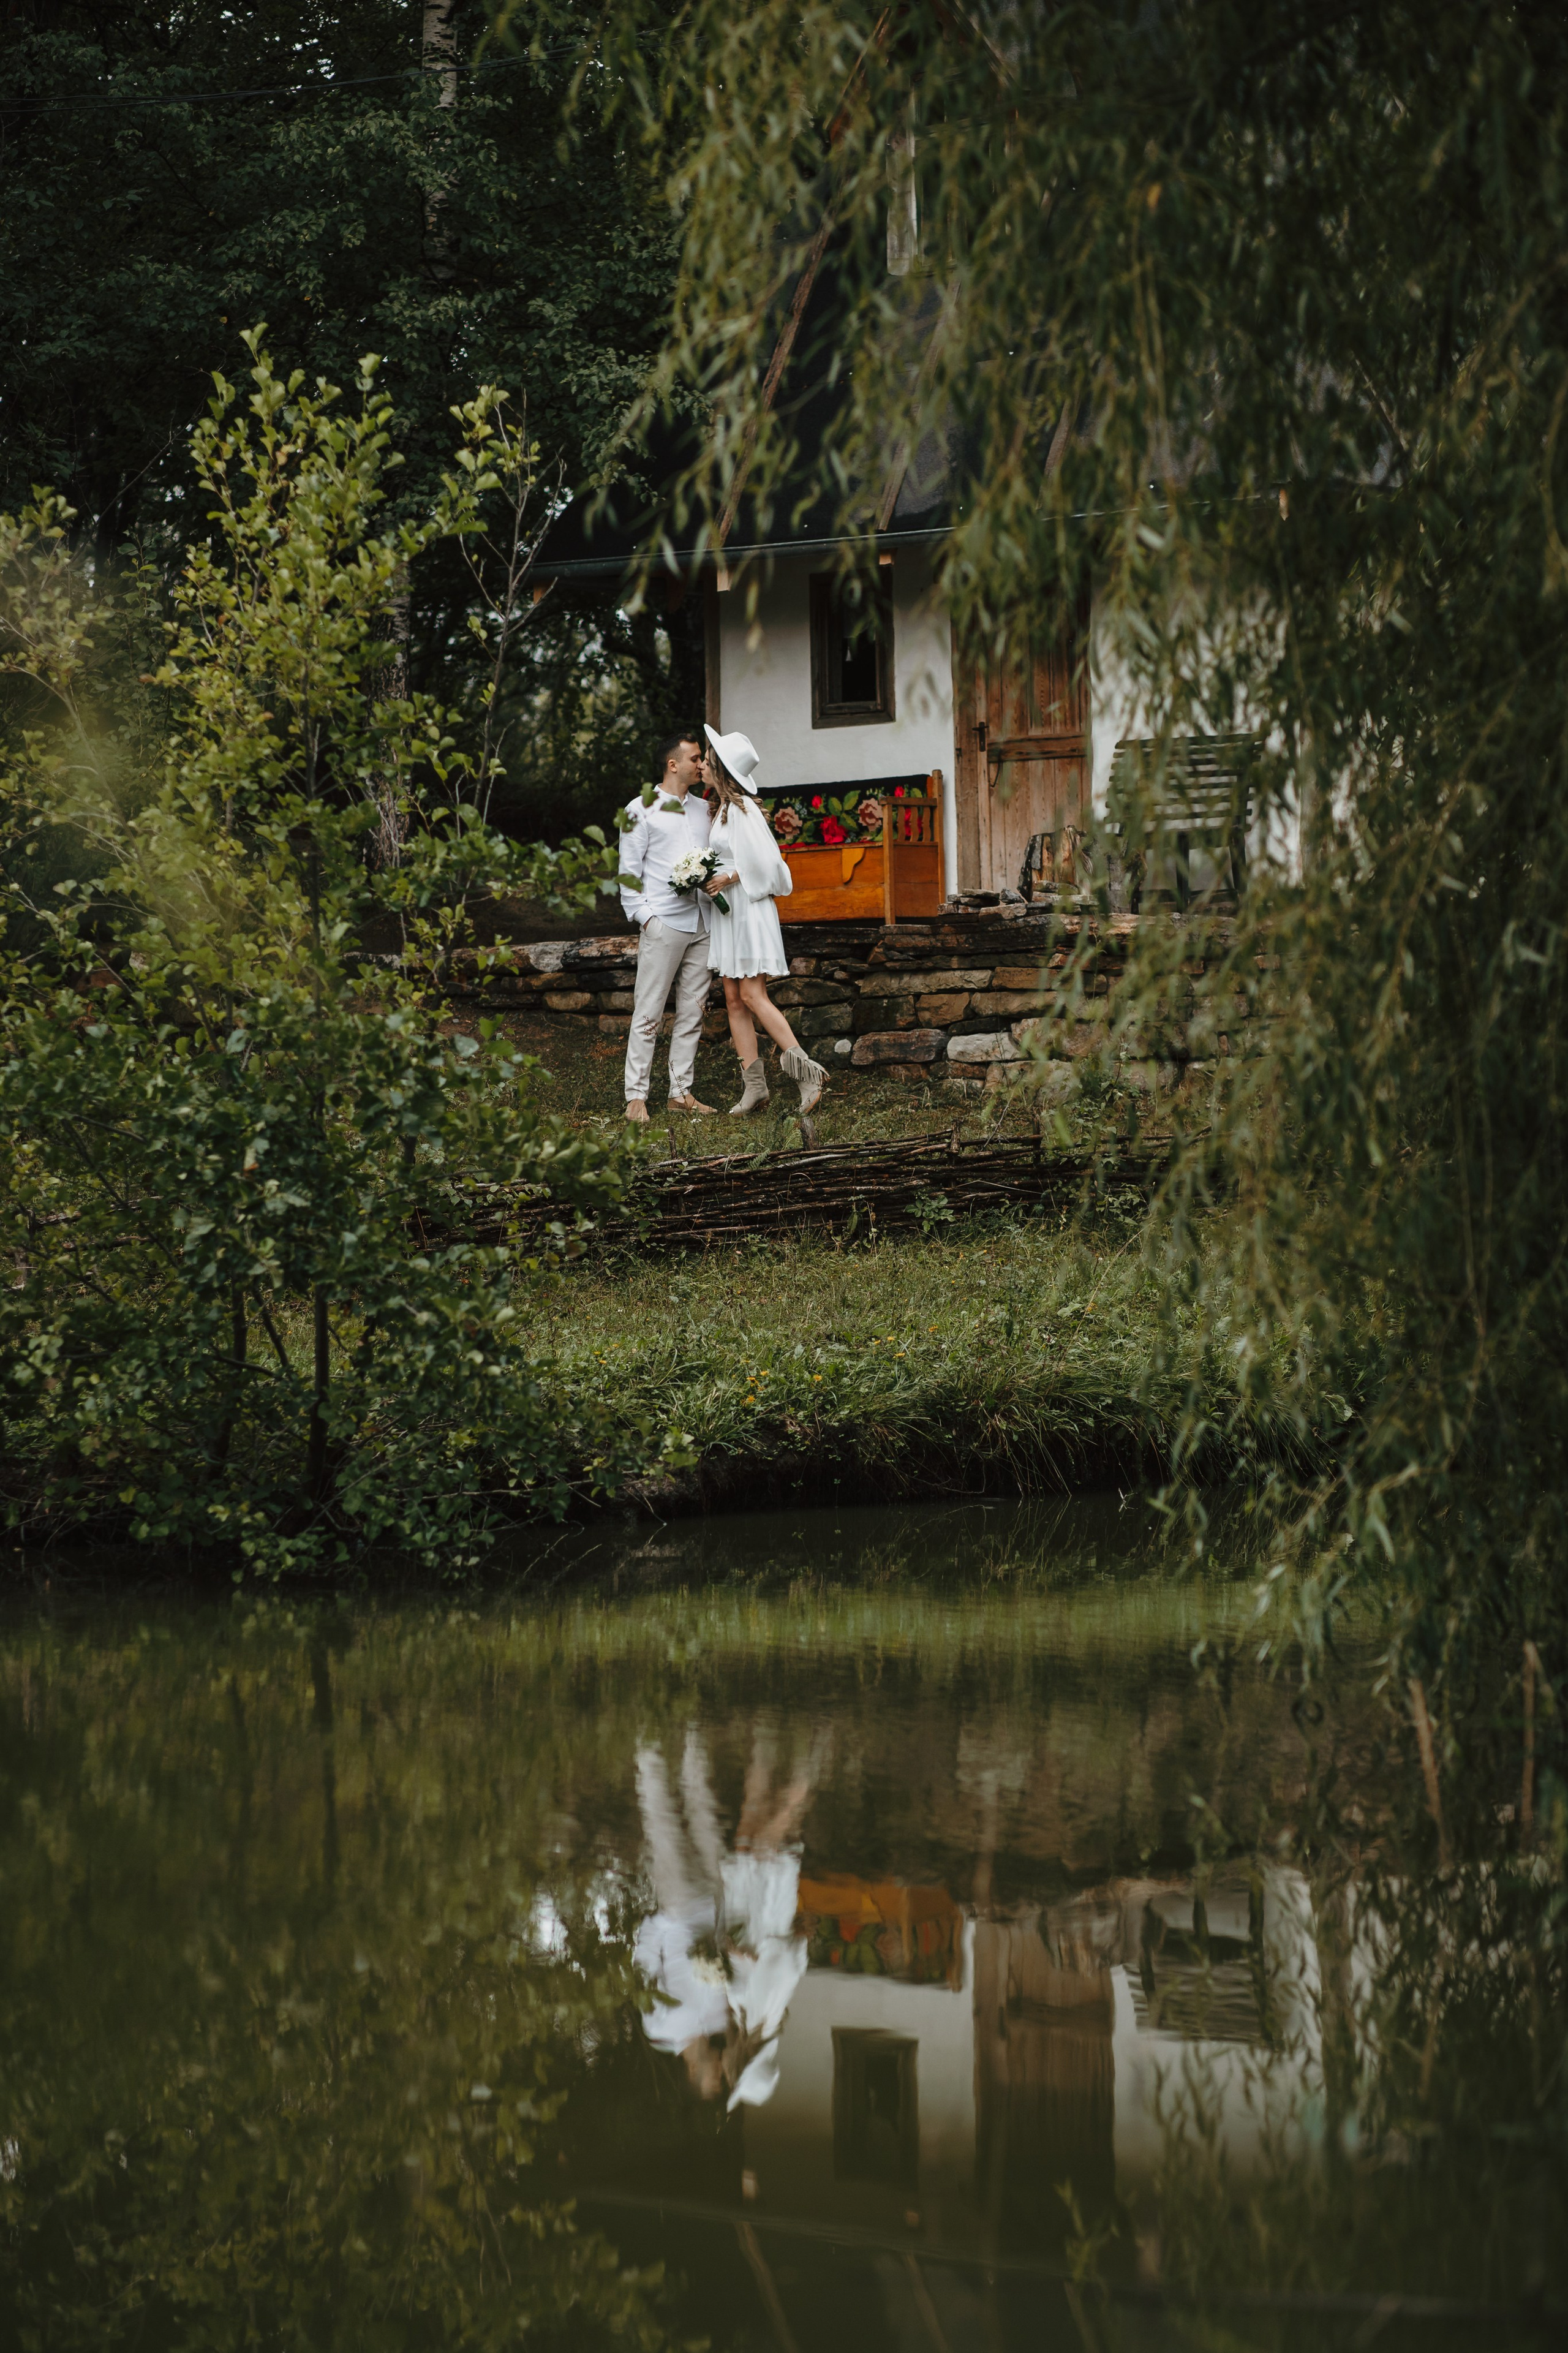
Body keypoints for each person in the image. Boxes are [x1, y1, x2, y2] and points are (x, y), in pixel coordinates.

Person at [699, 727, 829, 1117]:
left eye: (708, 759)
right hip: (729, 913)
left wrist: (730, 876)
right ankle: (754, 1088)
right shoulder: (722, 808)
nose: (702, 764)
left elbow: (770, 864)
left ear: (721, 768)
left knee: (754, 995)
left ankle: (809, 1075)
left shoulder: (744, 809)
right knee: (733, 998)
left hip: (748, 909)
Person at [617, 731, 718, 1124]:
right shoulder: (638, 810)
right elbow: (628, 874)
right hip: (663, 923)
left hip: (704, 922)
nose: (702, 764)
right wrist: (647, 919)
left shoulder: (705, 810)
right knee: (649, 1011)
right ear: (673, 764)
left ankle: (680, 1092)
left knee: (694, 1011)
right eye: (696, 759)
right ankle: (636, 1096)